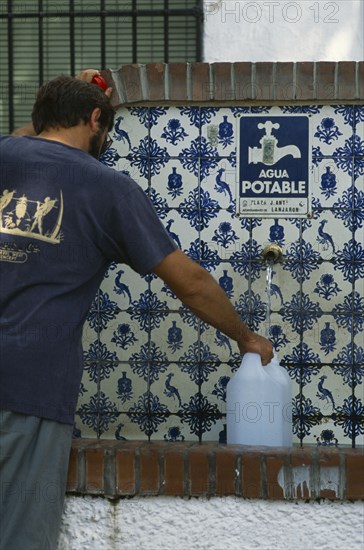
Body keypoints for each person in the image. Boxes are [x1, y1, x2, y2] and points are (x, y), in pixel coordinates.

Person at [0, 69, 273, 550]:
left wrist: (58, 103)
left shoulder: (7, 154)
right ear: (96, 119)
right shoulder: (107, 188)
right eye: (105, 128)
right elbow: (190, 282)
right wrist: (245, 337)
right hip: (27, 387)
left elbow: (27, 136)